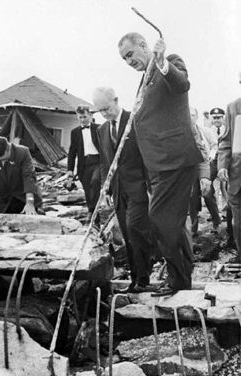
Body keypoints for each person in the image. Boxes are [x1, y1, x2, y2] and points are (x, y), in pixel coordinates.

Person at [118, 32, 204, 296]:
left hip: (175, 159)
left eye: (130, 54)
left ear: (144, 45)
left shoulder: (168, 64)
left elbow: (182, 84)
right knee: (172, 222)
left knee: (161, 219)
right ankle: (180, 278)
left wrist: (162, 61)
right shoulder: (144, 79)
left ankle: (178, 280)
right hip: (157, 164)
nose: (128, 61)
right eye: (124, 59)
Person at [93, 87, 158, 293]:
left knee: (135, 229)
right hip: (118, 191)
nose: (105, 114)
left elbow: (147, 156)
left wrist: (151, 187)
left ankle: (145, 274)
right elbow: (106, 163)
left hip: (138, 187)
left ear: (116, 100)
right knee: (129, 235)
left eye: (107, 108)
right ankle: (136, 279)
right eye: (101, 111)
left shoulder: (134, 121)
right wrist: (106, 188)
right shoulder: (101, 130)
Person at [0, 136, 41, 214]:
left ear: (8, 148)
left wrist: (30, 202)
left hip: (24, 196)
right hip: (3, 200)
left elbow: (29, 177)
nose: (2, 161)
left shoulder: (22, 152)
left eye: (4, 158)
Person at [218, 72, 241, 263]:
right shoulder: (233, 108)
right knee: (239, 223)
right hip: (237, 176)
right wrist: (222, 166)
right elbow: (226, 141)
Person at [67, 105, 101, 224]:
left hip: (98, 162)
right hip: (84, 164)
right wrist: (70, 170)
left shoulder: (99, 128)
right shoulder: (75, 132)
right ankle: (95, 218)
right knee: (88, 190)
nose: (83, 120)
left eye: (85, 117)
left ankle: (91, 211)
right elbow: (72, 152)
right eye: (80, 117)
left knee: (95, 181)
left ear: (90, 116)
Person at [189, 107, 220, 235]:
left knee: (207, 193)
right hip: (190, 168)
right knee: (192, 196)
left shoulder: (205, 131)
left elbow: (214, 145)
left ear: (196, 117)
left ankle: (216, 221)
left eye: (192, 115)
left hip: (207, 164)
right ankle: (194, 225)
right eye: (188, 115)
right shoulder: (184, 131)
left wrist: (212, 155)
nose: (190, 117)